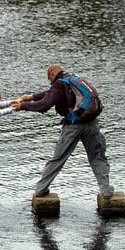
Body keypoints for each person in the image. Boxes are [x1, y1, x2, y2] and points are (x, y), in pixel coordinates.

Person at [14, 64, 114, 198]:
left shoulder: (59, 84)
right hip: (91, 123)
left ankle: (40, 189)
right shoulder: (73, 80)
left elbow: (45, 104)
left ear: (51, 74)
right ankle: (106, 190)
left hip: (73, 125)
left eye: (48, 77)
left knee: (58, 158)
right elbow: (51, 94)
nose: (49, 81)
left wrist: (23, 106)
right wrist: (31, 97)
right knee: (97, 157)